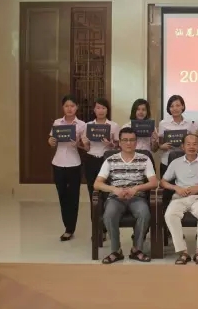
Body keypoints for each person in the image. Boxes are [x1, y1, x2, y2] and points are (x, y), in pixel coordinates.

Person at [93, 127, 158, 264]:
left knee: (144, 214)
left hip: (137, 197)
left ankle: (137, 250)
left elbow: (154, 182)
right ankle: (116, 251)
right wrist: (114, 189)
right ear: (120, 142)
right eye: (125, 140)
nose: (129, 143)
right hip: (116, 198)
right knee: (109, 215)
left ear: (136, 142)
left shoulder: (144, 159)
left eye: (132, 140)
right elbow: (97, 184)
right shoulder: (111, 160)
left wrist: (136, 188)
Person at [161, 134, 198, 265]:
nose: (191, 147)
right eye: (188, 144)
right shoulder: (175, 163)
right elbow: (163, 182)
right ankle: (183, 252)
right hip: (179, 197)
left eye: (194, 144)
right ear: (182, 146)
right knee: (169, 215)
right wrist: (176, 188)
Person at [47, 94, 86, 241]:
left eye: (72, 106)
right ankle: (67, 226)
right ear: (63, 107)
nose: (69, 109)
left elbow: (85, 146)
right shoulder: (57, 122)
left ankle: (70, 228)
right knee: (62, 196)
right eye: (66, 106)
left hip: (74, 163)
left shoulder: (82, 125)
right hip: (58, 163)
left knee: (73, 196)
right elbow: (52, 141)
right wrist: (50, 141)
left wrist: (79, 144)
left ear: (77, 108)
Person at [81, 98, 119, 204]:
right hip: (91, 159)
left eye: (103, 108)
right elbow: (87, 148)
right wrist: (85, 143)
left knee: (107, 190)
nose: (101, 110)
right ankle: (94, 214)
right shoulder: (88, 125)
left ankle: (106, 213)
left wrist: (111, 144)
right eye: (98, 108)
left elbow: (118, 146)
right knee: (92, 190)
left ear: (107, 110)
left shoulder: (114, 126)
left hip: (106, 159)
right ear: (94, 110)